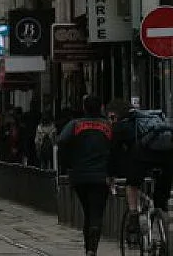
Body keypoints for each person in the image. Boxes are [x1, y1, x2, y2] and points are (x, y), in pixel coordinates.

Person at [109, 100, 173, 234]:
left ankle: (134, 216)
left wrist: (111, 174)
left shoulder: (121, 127)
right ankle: (161, 218)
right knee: (161, 199)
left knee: (132, 184)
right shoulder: (154, 120)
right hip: (166, 157)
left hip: (143, 158)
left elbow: (114, 154)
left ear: (115, 116)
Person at [57, 95, 112, 256]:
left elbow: (61, 141)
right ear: (101, 107)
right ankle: (92, 248)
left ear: (84, 108)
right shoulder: (108, 127)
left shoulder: (75, 125)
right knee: (96, 212)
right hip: (101, 176)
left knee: (87, 211)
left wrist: (67, 163)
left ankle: (88, 247)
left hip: (80, 175)